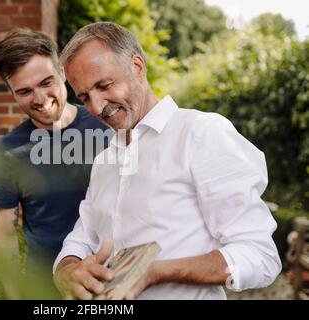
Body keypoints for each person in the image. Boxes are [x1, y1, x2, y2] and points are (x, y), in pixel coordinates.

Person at [53, 22, 282, 300]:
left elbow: (259, 255)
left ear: (137, 67)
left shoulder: (200, 133)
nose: (98, 107)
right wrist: (67, 269)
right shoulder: (105, 160)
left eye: (105, 85)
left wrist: (155, 271)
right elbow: (83, 237)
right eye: (85, 97)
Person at [0, 28, 111, 299]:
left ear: (63, 72)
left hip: (109, 283)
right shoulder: (10, 151)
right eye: (24, 91)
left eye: (46, 82)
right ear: (11, 92)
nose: (41, 99)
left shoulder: (106, 127)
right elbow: (5, 232)